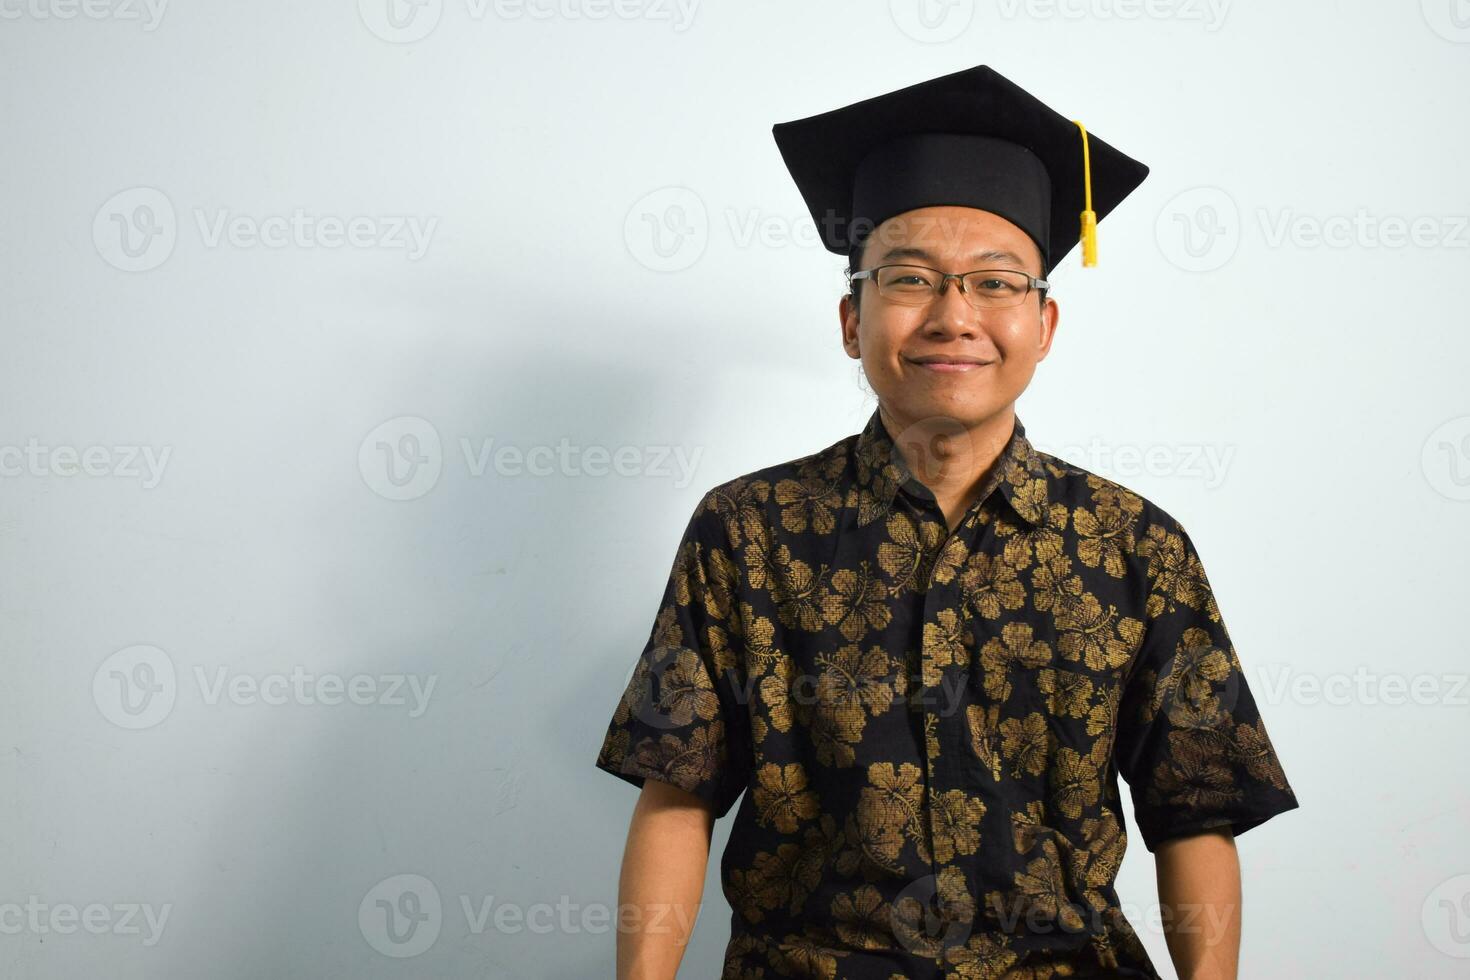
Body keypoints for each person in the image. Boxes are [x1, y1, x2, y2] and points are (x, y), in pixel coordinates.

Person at [595, 63, 1299, 979]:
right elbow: (678, 792)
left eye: (997, 284)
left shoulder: (1136, 547)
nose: (954, 315)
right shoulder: (746, 532)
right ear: (853, 320)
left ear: (1045, 327)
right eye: (912, 278)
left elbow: (1194, 810)